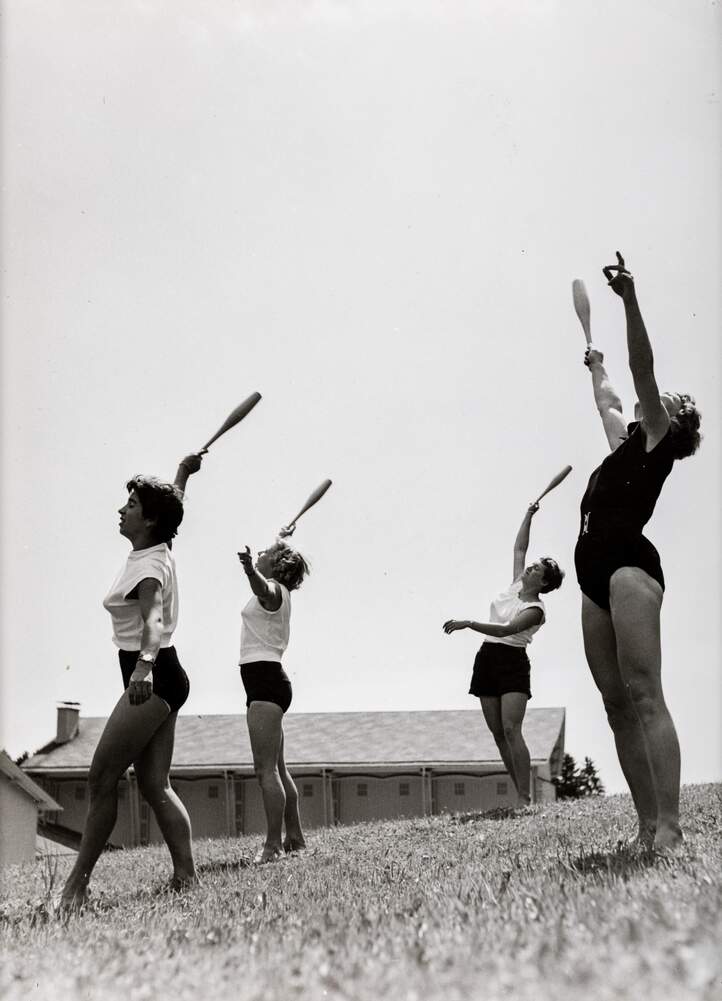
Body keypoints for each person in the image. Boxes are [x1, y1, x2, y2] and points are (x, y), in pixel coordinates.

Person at [576, 251, 701, 851]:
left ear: (673, 425)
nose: (659, 400)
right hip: (591, 577)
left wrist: (629, 301)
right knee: (615, 705)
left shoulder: (656, 437)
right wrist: (594, 366)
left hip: (628, 568)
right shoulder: (622, 444)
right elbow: (608, 398)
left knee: (644, 693)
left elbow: (642, 371)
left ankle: (672, 829)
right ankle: (646, 825)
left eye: (670, 402)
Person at [60, 454, 203, 909]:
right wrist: (182, 474)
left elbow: (154, 620)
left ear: (150, 518)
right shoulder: (155, 550)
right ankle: (187, 877)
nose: (122, 509)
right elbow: (172, 510)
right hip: (163, 674)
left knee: (101, 776)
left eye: (132, 503)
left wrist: (143, 666)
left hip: (152, 673)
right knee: (154, 783)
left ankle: (76, 886)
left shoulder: (147, 568)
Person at [443, 502, 564, 805]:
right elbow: (519, 548)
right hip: (487, 660)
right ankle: (520, 792)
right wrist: (528, 514)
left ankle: (525, 798)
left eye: (537, 568)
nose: (530, 567)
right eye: (532, 564)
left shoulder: (535, 610)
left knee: (512, 729)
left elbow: (505, 630)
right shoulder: (515, 586)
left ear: (545, 581)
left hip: (512, 663)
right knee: (498, 734)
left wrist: (469, 623)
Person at [237, 529, 310, 863]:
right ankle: (294, 837)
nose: (260, 552)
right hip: (267, 682)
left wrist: (251, 571)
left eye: (266, 552)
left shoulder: (274, 589)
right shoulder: (282, 593)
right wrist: (279, 540)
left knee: (265, 770)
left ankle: (272, 846)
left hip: (265, 682)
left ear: (277, 565)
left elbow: (261, 588)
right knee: (278, 769)